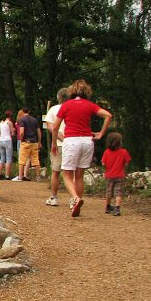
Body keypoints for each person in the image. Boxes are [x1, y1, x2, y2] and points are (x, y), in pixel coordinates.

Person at [51, 79, 112, 217]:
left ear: (72, 91)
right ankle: (75, 204)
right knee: (79, 176)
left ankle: (76, 198)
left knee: (66, 174)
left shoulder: (66, 105)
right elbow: (108, 115)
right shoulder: (90, 105)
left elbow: (55, 127)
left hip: (71, 140)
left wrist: (54, 144)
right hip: (87, 141)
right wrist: (101, 133)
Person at [44, 87, 70, 206]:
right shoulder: (73, 108)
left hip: (58, 144)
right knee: (72, 173)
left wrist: (60, 139)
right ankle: (73, 198)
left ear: (58, 97)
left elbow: (50, 126)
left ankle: (54, 197)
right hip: (72, 143)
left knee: (55, 171)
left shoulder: (54, 109)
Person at [101, 132, 131, 216]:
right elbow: (126, 163)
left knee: (109, 191)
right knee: (118, 192)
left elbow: (103, 163)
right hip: (120, 175)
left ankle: (107, 207)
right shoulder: (124, 152)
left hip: (109, 175)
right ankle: (117, 208)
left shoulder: (106, 152)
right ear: (119, 142)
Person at [12, 107, 41, 181]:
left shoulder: (22, 119)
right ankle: (38, 177)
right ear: (29, 111)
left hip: (26, 142)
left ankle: (20, 177)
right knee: (35, 160)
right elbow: (39, 132)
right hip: (34, 142)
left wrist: (22, 140)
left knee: (22, 160)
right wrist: (39, 142)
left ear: (23, 111)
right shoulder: (34, 120)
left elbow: (21, 132)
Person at [0, 110, 15, 179]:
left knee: (2, 158)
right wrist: (13, 131)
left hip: (1, 141)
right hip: (7, 141)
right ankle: (7, 176)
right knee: (8, 159)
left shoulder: (1, 122)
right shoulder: (9, 123)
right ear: (10, 116)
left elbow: (0, 132)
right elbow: (12, 133)